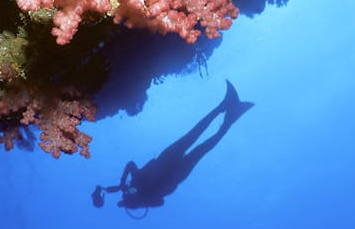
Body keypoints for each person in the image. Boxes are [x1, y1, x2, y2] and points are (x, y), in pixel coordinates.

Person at [92, 80, 253, 211]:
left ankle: (225, 105)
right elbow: (160, 202)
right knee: (201, 146)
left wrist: (119, 184)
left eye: (126, 196)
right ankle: (229, 117)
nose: (126, 195)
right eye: (129, 198)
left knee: (194, 136)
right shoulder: (147, 197)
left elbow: (130, 164)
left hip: (166, 161)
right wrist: (142, 199)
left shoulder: (134, 183)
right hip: (176, 173)